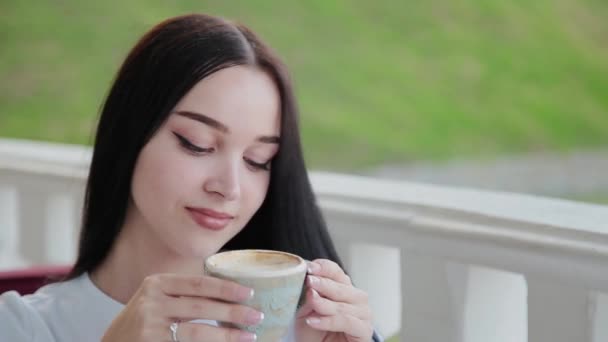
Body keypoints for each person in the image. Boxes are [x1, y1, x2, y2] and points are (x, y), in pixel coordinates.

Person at [0, 13, 382, 342]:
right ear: (129, 134)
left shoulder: (303, 329)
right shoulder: (23, 327)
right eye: (196, 144)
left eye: (257, 160)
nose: (229, 188)